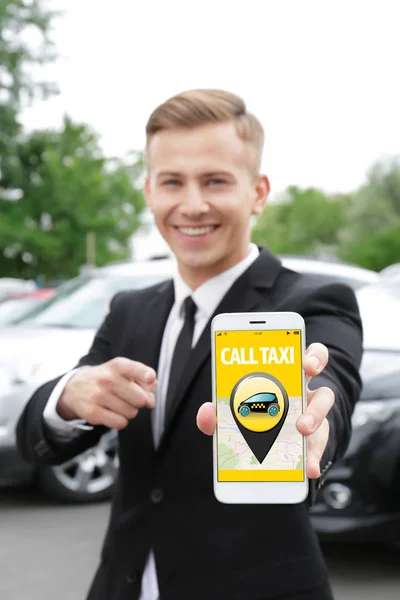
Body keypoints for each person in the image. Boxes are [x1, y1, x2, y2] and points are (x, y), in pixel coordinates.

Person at [16, 89, 363, 600]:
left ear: (259, 192)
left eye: (216, 181)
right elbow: (37, 440)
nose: (192, 204)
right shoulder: (129, 309)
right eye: (172, 182)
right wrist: (68, 397)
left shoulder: (312, 302)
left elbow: (330, 383)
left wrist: (316, 425)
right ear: (149, 192)